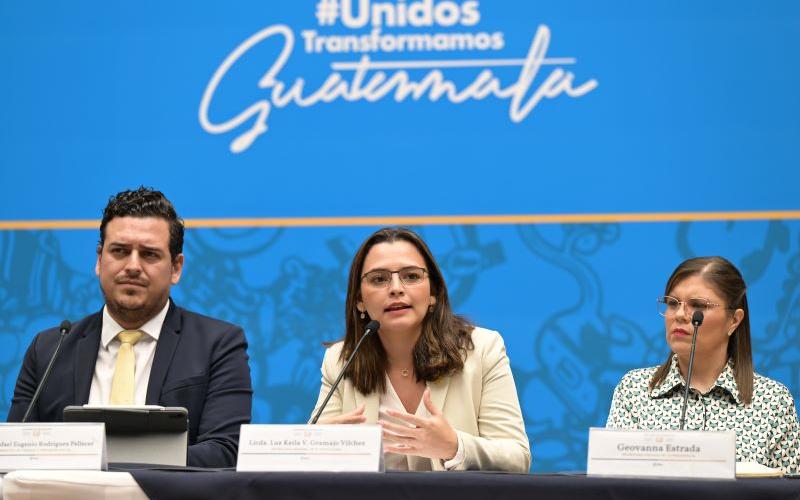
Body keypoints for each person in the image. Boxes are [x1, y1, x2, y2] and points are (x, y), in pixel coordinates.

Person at [7, 187, 252, 468]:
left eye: (149, 254)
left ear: (176, 268)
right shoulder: (49, 349)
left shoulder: (218, 345)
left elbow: (225, 453)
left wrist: (104, 460)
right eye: (120, 251)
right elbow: (17, 453)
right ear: (100, 260)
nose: (133, 266)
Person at [310, 227, 530, 472]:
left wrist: (455, 447)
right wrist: (321, 448)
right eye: (379, 279)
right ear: (360, 300)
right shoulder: (341, 360)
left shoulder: (481, 350)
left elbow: (517, 458)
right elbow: (303, 455)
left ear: (433, 293)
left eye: (411, 276)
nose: (395, 288)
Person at [607, 256, 799, 473]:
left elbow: (790, 492)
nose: (679, 315)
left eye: (698, 306)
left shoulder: (773, 401)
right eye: (672, 303)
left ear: (734, 320)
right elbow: (614, 485)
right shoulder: (634, 390)